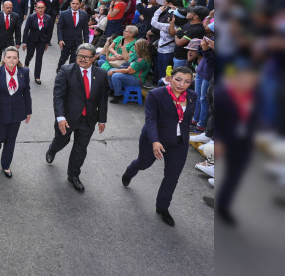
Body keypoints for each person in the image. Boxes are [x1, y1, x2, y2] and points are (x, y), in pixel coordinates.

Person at [121, 67, 197, 227]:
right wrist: (155, 141)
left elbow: (185, 120)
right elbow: (150, 119)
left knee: (172, 176)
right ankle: (130, 171)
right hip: (154, 138)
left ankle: (162, 208)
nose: (182, 84)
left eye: (187, 81)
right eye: (178, 79)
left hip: (179, 142)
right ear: (170, 78)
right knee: (144, 163)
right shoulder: (157, 94)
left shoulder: (192, 96)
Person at [46, 43, 109, 192]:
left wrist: (102, 119)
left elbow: (102, 99)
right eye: (80, 56)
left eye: (87, 57)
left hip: (88, 120)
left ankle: (73, 175)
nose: (83, 59)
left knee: (80, 149)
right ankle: (52, 150)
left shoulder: (101, 74)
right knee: (62, 141)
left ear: (94, 58)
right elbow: (58, 96)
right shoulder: (66, 70)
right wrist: (60, 117)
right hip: (67, 118)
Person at [0, 46, 32, 178]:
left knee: (11, 140)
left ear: (18, 59)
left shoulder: (24, 71)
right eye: (9, 57)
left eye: (14, 57)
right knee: (0, 137)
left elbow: (26, 92)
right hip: (1, 113)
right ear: (4, 58)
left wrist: (28, 111)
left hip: (18, 112)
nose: (11, 60)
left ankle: (6, 165)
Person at [107, 38, 153, 103]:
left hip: (137, 79)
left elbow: (128, 71)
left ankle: (117, 95)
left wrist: (114, 71)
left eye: (135, 46)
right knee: (110, 70)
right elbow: (127, 58)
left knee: (116, 76)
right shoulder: (136, 54)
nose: (134, 47)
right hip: (130, 75)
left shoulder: (142, 60)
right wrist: (123, 48)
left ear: (140, 48)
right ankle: (112, 90)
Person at [22, 1, 54, 84]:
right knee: (30, 55)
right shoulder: (31, 17)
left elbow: (49, 31)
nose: (40, 9)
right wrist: (24, 42)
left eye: (42, 7)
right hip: (31, 39)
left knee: (39, 58)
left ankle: (37, 76)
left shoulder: (48, 18)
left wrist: (47, 42)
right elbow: (26, 30)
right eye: (38, 7)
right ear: (36, 8)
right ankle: (26, 66)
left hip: (42, 41)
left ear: (45, 8)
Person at [56, 0, 89, 73]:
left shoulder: (84, 15)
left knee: (74, 60)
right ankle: (59, 71)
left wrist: (86, 43)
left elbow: (85, 30)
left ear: (80, 4)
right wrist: (60, 39)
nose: (75, 5)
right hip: (65, 41)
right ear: (70, 4)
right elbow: (59, 27)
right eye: (73, 3)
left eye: (77, 4)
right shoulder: (64, 14)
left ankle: (70, 75)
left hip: (77, 41)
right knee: (63, 58)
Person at [0, 1, 21, 68]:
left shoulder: (16, 16)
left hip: (9, 41)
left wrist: (18, 42)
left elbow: (18, 30)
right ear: (3, 7)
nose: (9, 9)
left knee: (10, 58)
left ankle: (9, 72)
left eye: (10, 8)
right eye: (7, 8)